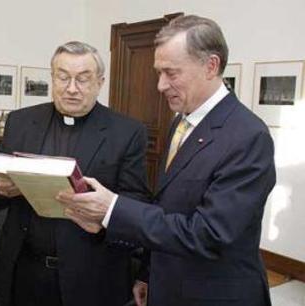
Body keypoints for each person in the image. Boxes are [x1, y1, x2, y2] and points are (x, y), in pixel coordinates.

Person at [57, 15, 276, 306]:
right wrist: (147, 273)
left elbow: (209, 234)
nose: (160, 85)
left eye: (171, 73)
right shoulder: (180, 124)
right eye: (159, 72)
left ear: (211, 66)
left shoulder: (249, 136)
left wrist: (112, 209)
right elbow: (165, 207)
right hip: (167, 286)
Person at [0, 41, 151, 306]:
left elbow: (137, 203)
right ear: (52, 78)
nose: (71, 88)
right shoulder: (21, 122)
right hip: (24, 272)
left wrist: (103, 218)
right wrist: (1, 188)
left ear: (100, 82)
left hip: (92, 277)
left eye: (83, 79)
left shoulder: (127, 132)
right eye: (63, 77)